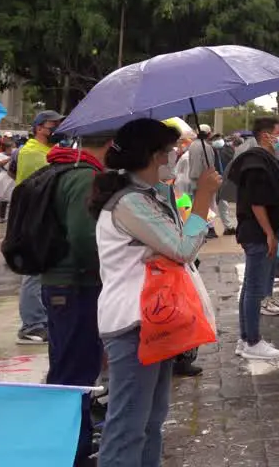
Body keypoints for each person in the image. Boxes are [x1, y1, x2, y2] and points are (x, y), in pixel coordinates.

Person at [92, 118, 220, 467]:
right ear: (150, 155)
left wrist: (178, 196)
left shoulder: (149, 195)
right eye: (167, 151)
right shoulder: (128, 203)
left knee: (151, 421)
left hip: (155, 319)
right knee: (128, 424)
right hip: (133, 323)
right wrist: (204, 198)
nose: (174, 156)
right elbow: (183, 249)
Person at [41, 131, 112, 466]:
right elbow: (85, 238)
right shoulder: (86, 176)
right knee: (75, 371)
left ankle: (74, 440)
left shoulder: (64, 168)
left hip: (61, 284)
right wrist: (106, 274)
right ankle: (73, 450)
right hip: (75, 285)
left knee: (70, 365)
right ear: (111, 146)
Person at [227, 116, 279, 360]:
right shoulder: (255, 162)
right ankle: (252, 340)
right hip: (257, 233)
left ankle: (246, 338)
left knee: (250, 288)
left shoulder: (262, 160)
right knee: (254, 289)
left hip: (257, 231)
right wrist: (270, 233)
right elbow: (256, 202)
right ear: (265, 135)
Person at [14, 109, 64, 345]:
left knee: (42, 271)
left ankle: (40, 320)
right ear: (39, 128)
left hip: (45, 217)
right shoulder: (32, 152)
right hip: (33, 218)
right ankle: (31, 325)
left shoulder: (47, 150)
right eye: (52, 125)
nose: (56, 130)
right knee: (33, 273)